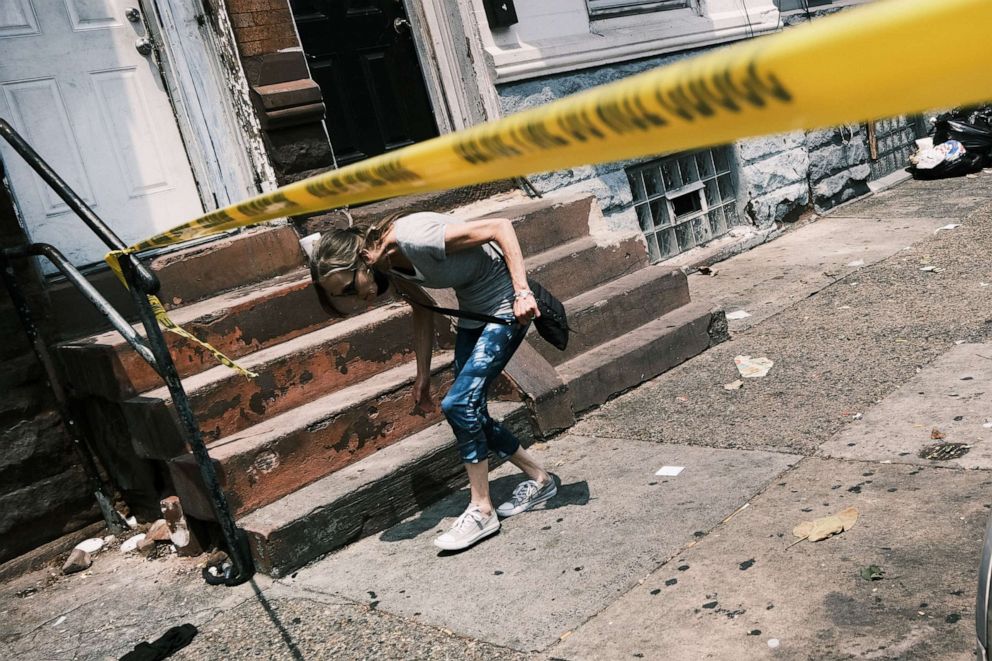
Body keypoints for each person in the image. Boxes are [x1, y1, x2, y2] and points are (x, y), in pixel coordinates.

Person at [310, 211, 557, 551]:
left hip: (504, 304)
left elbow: (500, 228)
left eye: (350, 288)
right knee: (470, 410)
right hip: (475, 310)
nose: (355, 299)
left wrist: (522, 293)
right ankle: (541, 480)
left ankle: (482, 509)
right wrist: (422, 375)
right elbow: (422, 310)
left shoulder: (414, 239)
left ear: (360, 261)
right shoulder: (388, 261)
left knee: (459, 403)